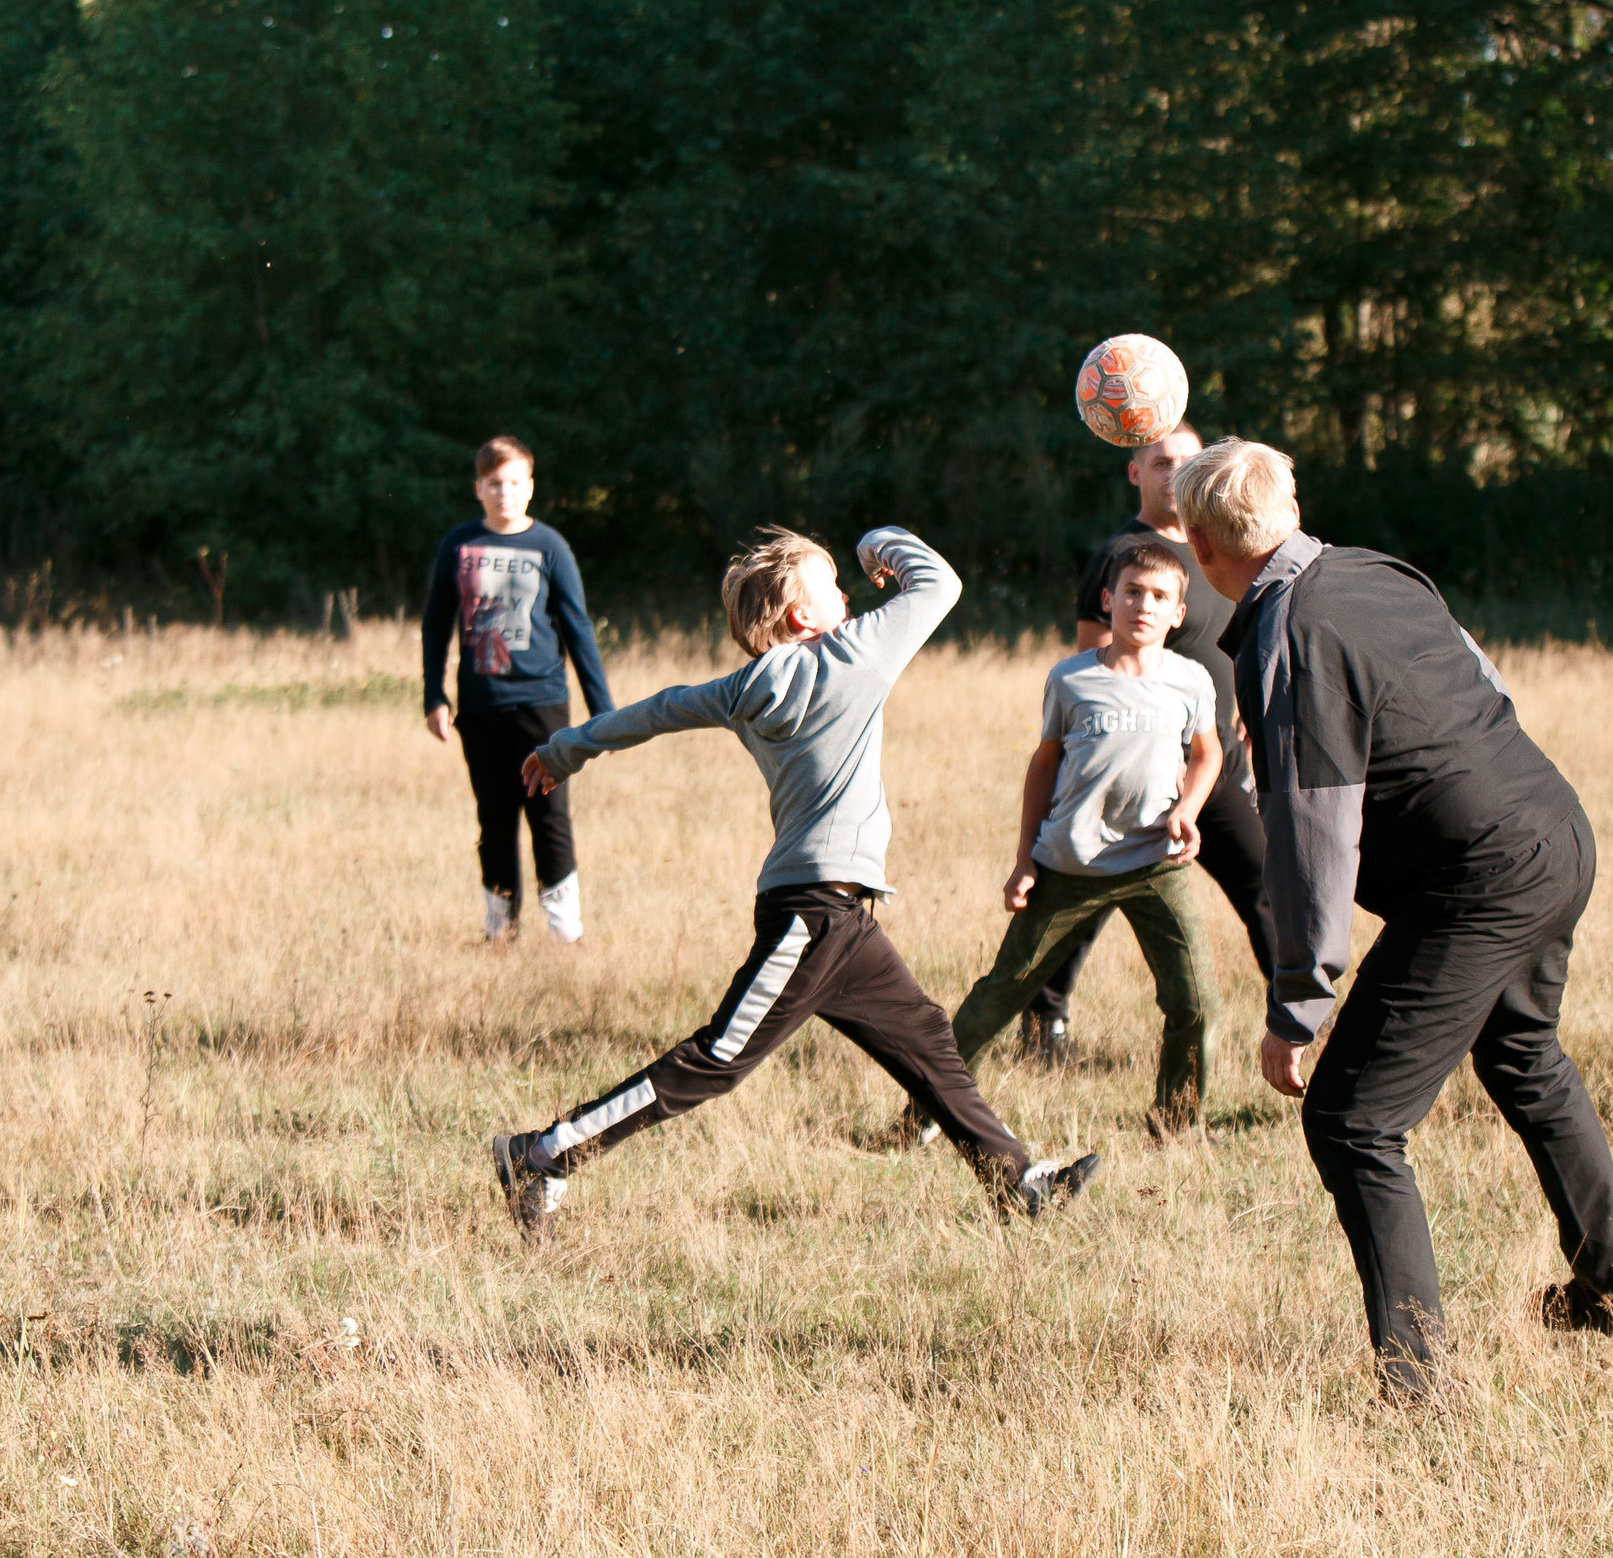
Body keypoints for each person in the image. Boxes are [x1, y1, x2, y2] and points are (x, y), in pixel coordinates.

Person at [1178, 438, 1613, 1403]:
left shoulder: (1290, 635)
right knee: (1523, 1053)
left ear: (1197, 547)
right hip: (1553, 825)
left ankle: (1418, 1382)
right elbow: (1488, 685)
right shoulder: (1373, 568)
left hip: (1476, 877)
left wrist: (1298, 1003)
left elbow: (1315, 833)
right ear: (1295, 504)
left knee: (1353, 1120)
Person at [488, 526, 1100, 1241]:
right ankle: (544, 1153)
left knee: (928, 1038)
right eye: (832, 584)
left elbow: (655, 710)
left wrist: (567, 747)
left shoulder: (743, 686)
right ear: (803, 617)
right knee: (719, 1057)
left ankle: (1017, 1180)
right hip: (813, 915)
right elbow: (938, 583)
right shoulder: (851, 653)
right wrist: (878, 545)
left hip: (838, 915)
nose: (849, 593)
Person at [944, 539, 1223, 1135]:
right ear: (1108, 600)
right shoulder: (1070, 679)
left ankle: (1176, 1123)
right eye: (1131, 592)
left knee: (1195, 1001)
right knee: (1002, 992)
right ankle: (926, 1111)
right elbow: (1042, 767)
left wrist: (1190, 809)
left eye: (1159, 597)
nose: (1142, 606)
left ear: (1179, 612)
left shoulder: (1192, 680)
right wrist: (1024, 860)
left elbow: (1207, 754)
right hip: (1070, 862)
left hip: (1157, 862)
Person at [1019, 424, 1275, 1064]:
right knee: (1084, 896)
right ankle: (1042, 1028)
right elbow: (1088, 668)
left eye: (1187, 462)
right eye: (1161, 463)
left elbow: (1242, 638)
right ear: (1135, 473)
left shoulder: (1218, 548)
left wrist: (1245, 706)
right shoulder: (1118, 555)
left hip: (1214, 765)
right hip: (1134, 769)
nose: (1174, 474)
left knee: (1268, 888)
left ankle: (1305, 1017)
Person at [421, 435, 617, 945]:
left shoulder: (549, 547)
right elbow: (436, 623)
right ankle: (499, 930)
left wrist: (604, 713)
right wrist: (433, 696)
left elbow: (578, 630)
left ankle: (565, 933)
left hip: (542, 704)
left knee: (550, 816)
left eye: (513, 482)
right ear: (478, 489)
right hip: (481, 706)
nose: (504, 492)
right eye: (493, 483)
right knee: (494, 818)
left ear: (529, 488)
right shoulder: (458, 546)